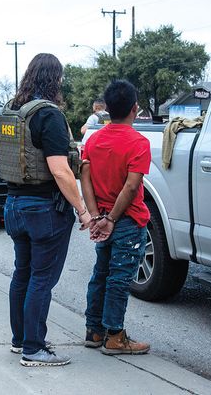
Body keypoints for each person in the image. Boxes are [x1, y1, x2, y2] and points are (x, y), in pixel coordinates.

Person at [0, 53, 92, 367]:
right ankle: (34, 349)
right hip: (43, 209)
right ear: (56, 80)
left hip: (14, 204)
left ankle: (20, 340)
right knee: (41, 279)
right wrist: (82, 209)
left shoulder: (12, 110)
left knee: (22, 273)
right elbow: (61, 170)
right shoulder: (47, 115)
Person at [80, 79, 151, 355]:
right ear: (135, 108)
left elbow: (84, 177)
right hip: (128, 221)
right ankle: (114, 336)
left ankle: (94, 330)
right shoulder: (138, 142)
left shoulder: (94, 140)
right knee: (119, 278)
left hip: (103, 218)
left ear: (107, 109)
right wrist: (111, 219)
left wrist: (97, 215)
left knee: (101, 273)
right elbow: (132, 186)